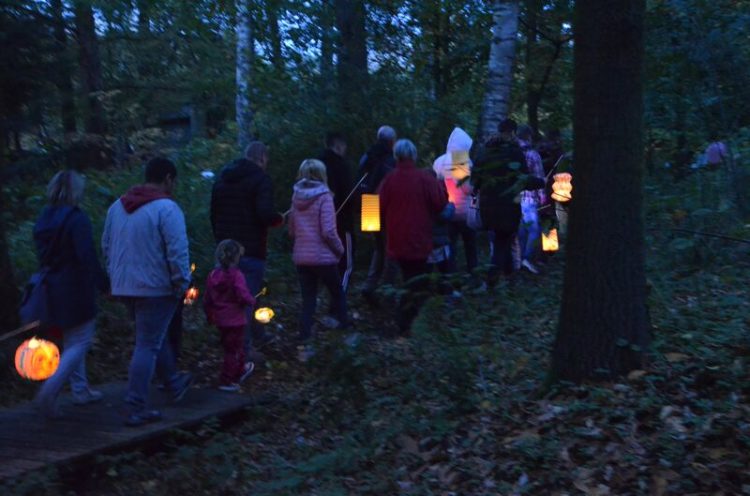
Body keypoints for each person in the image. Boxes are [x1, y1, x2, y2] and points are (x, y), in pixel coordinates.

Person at [102, 157, 193, 427]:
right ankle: (135, 405)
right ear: (167, 179)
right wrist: (182, 280)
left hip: (124, 286)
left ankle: (174, 383)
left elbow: (106, 245)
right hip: (155, 287)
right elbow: (177, 249)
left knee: (152, 336)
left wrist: (115, 278)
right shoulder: (166, 208)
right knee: (147, 344)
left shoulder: (117, 207)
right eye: (173, 181)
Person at [32, 170, 108, 419]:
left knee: (71, 340)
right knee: (81, 341)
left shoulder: (44, 218)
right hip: (75, 287)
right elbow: (86, 255)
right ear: (76, 190)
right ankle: (49, 391)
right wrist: (103, 283)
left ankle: (80, 390)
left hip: (50, 287)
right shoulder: (77, 219)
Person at [210, 142, 284, 352]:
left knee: (230, 299)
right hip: (250, 250)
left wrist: (220, 241)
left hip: (225, 251)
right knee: (246, 300)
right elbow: (264, 212)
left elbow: (213, 214)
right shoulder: (260, 180)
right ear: (261, 158)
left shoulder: (222, 180)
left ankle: (252, 335)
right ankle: (242, 351)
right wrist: (278, 219)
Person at [379, 139, 448, 333]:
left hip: (396, 239)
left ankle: (406, 320)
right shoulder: (424, 178)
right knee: (417, 280)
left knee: (408, 277)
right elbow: (440, 202)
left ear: (396, 156)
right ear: (414, 155)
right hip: (419, 239)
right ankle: (410, 322)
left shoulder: (389, 180)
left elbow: (379, 206)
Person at [474, 119, 545, 287]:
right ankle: (492, 282)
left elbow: (475, 181)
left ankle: (509, 277)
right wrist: (541, 182)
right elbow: (523, 179)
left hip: (487, 206)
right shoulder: (514, 152)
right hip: (508, 205)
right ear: (512, 132)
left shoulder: (484, 152)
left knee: (502, 239)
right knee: (502, 241)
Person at [288, 159, 350, 343]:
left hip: (302, 258)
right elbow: (328, 231)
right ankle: (344, 335)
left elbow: (291, 231)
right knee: (338, 294)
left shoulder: (295, 197)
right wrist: (340, 251)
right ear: (322, 174)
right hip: (323, 258)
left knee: (309, 299)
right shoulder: (325, 197)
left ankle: (304, 338)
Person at [203, 240, 256, 392]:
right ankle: (227, 380)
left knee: (230, 347)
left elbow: (207, 299)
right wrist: (251, 300)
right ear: (236, 257)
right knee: (234, 349)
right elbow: (242, 293)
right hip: (235, 320)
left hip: (221, 319)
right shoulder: (236, 275)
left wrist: (209, 315)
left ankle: (239, 370)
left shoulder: (213, 275)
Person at [359, 125, 400, 302]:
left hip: (368, 202)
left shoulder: (367, 156)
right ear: (392, 141)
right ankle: (387, 288)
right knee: (391, 245)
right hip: (384, 204)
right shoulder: (392, 159)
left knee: (378, 246)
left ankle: (370, 284)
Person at [432, 127, 478, 273]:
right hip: (465, 213)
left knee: (450, 246)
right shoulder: (461, 161)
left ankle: (451, 276)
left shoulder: (439, 161)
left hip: (448, 211)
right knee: (470, 246)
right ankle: (473, 274)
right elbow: (467, 189)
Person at [319, 132, 355, 294]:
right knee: (345, 262)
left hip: (318, 224)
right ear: (338, 145)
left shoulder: (316, 166)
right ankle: (337, 304)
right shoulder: (341, 166)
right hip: (341, 221)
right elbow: (348, 194)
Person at [516, 125, 546, 274]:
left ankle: (520, 260)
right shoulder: (533, 155)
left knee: (521, 231)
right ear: (528, 136)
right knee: (534, 230)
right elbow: (539, 176)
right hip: (529, 198)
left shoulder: (512, 153)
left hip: (515, 198)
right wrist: (542, 196)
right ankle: (526, 259)